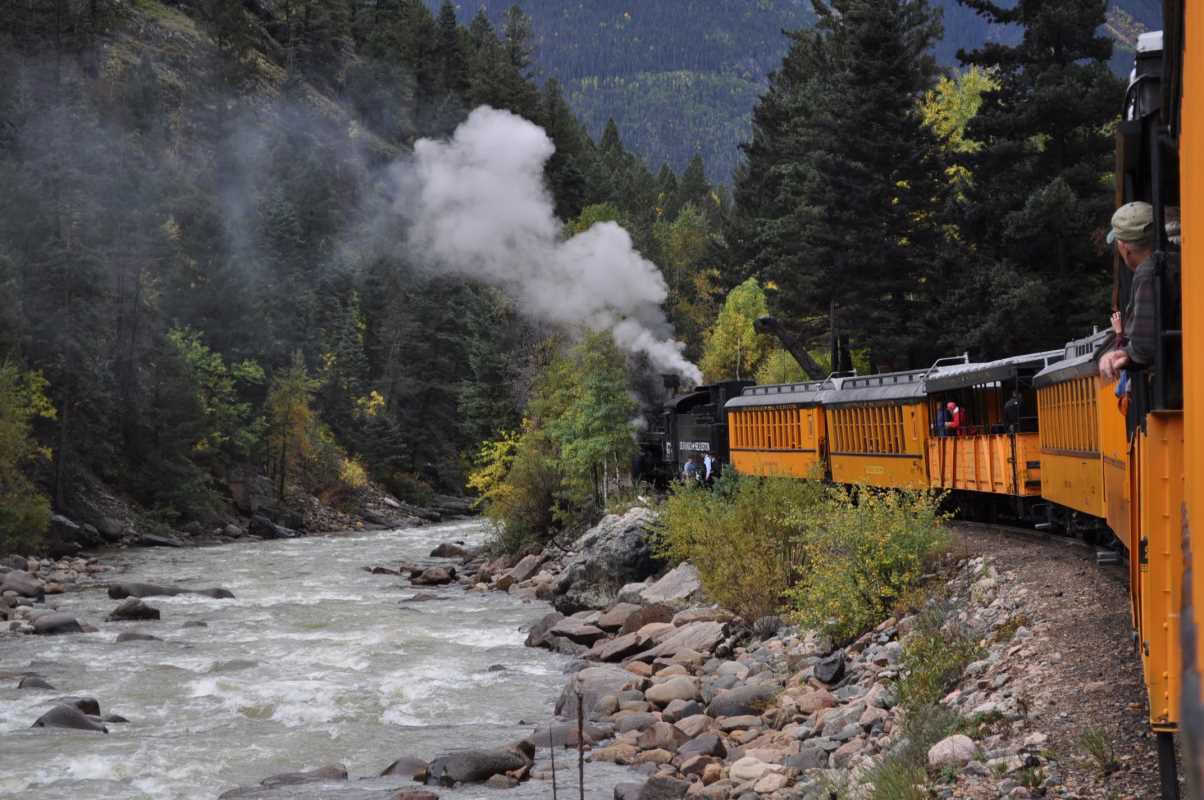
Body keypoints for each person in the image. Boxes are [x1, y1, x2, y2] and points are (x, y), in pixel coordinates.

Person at [1099, 201, 1158, 382]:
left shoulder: (1148, 273)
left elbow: (1144, 346)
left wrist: (1125, 354)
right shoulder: (1180, 258)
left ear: (1123, 246)